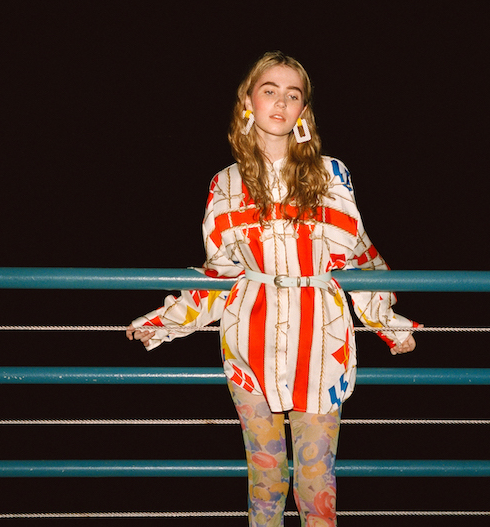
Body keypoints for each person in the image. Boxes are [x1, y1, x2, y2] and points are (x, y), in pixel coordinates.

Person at [127, 51, 418, 527]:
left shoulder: (331, 174)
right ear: (248, 101)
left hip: (322, 347)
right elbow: (219, 276)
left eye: (292, 95)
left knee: (317, 487)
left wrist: (388, 324)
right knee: (265, 483)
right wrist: (163, 324)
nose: (281, 103)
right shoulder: (224, 183)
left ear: (303, 110)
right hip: (250, 348)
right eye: (269, 91)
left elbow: (359, 259)